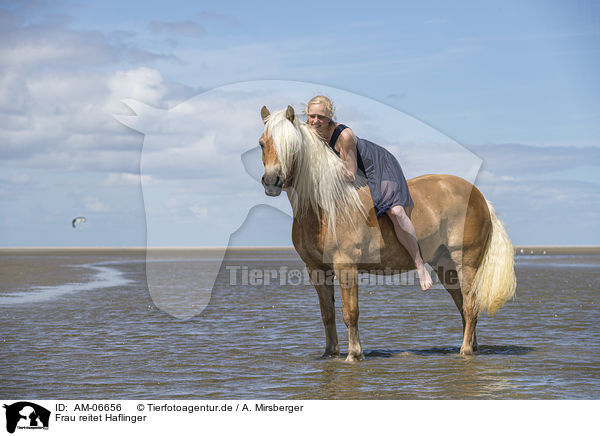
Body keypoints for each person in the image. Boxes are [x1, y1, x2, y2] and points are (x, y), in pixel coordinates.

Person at [304, 95, 433, 291]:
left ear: (330, 116)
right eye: (312, 116)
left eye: (321, 116)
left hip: (379, 166)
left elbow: (349, 174)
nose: (316, 121)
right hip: (355, 174)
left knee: (396, 212)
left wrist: (325, 172)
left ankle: (419, 265)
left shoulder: (344, 136)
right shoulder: (310, 131)